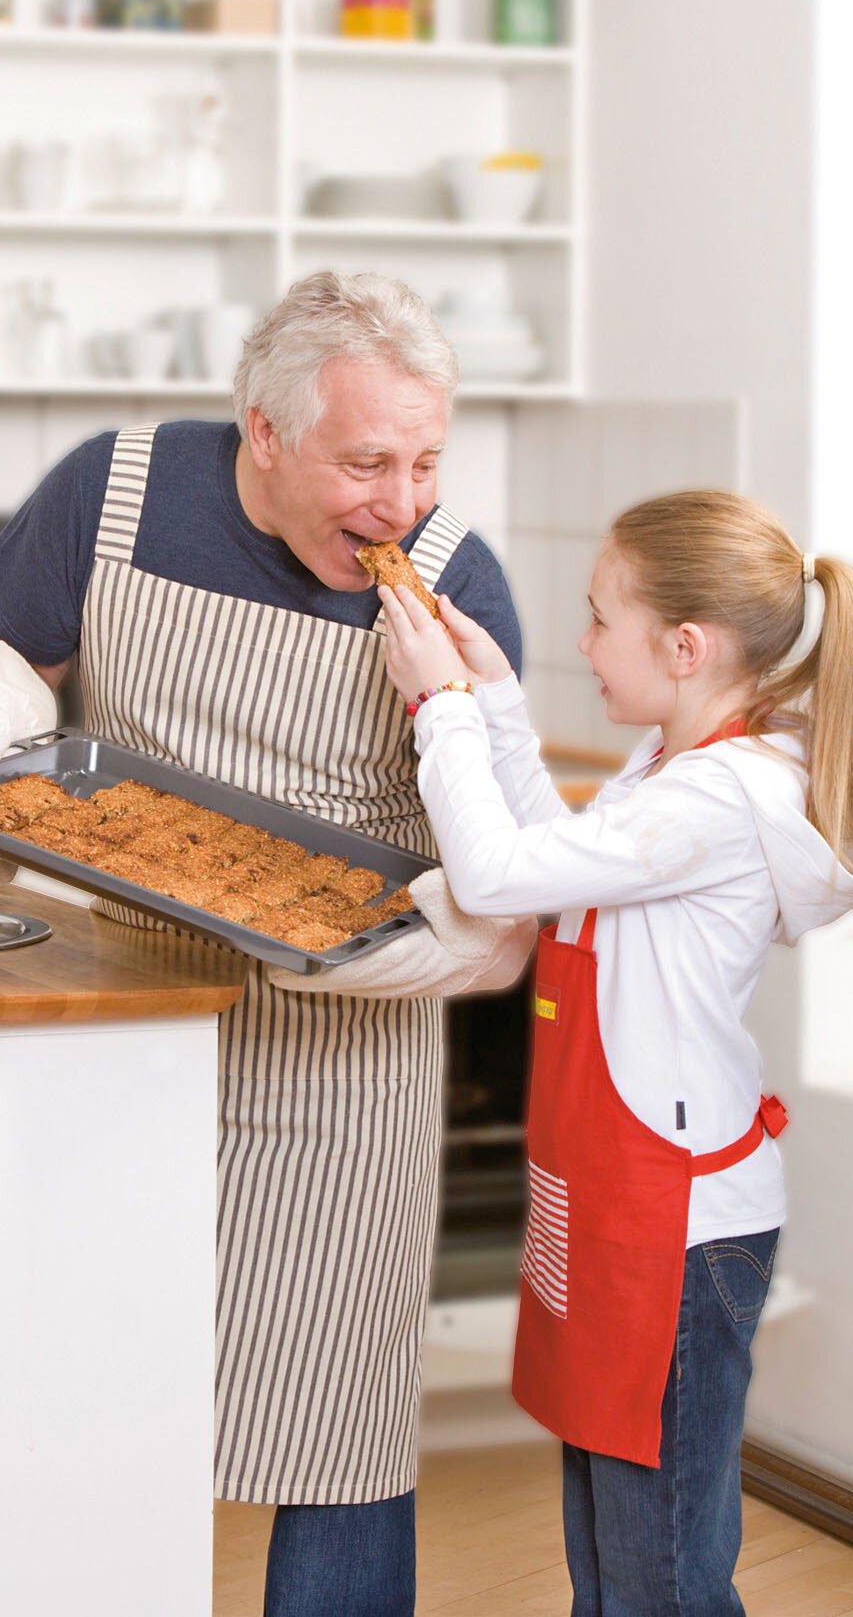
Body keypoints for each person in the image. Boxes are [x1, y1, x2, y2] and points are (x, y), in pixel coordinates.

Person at [0, 271, 536, 1617]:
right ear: (263, 434)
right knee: (81, 1393)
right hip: (115, 1024)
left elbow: (504, 851)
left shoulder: (453, 584)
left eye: (428, 459)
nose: (403, 504)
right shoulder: (117, 492)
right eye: (366, 462)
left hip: (339, 1060)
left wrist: (454, 940)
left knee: (337, 1429)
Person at [376, 488, 853, 1616]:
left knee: (659, 1577)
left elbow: (496, 875)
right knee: (610, 1554)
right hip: (614, 1201)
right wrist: (492, 697)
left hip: (672, 1231)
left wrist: (436, 704)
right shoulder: (670, 765)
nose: (580, 642)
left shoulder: (723, 796)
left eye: (597, 619)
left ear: (683, 646)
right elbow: (557, 854)